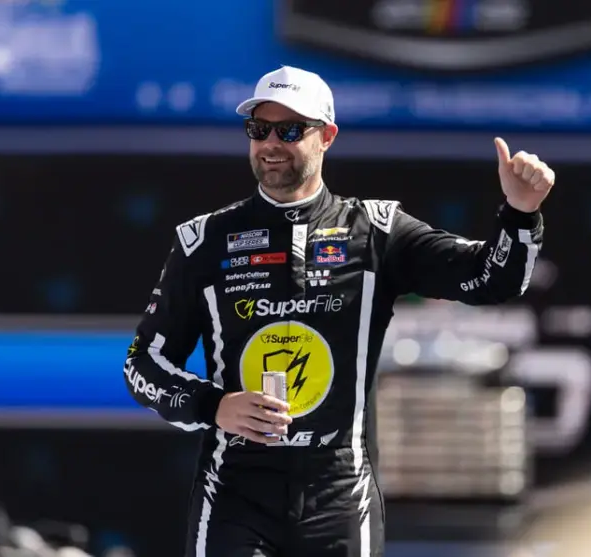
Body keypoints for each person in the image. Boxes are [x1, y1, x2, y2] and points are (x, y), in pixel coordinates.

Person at [123, 65, 555, 557]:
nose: (271, 144)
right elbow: (142, 364)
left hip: (339, 490)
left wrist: (521, 213)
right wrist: (213, 406)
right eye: (259, 129)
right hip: (235, 489)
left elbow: (491, 278)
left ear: (327, 136)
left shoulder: (376, 230)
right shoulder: (204, 241)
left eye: (290, 130)